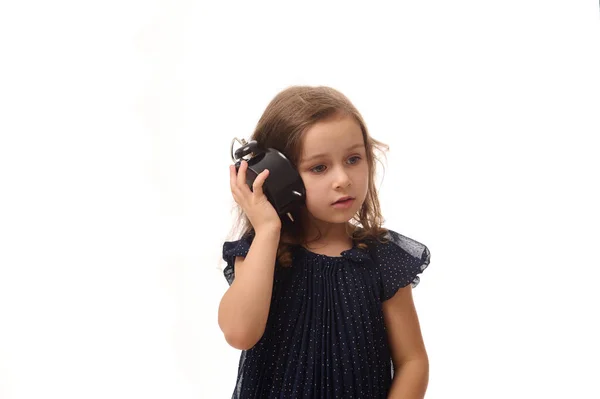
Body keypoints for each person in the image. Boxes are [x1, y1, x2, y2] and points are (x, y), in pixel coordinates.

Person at [218, 85, 431, 398]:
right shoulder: (262, 253)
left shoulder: (382, 259)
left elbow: (413, 360)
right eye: (319, 167)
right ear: (278, 176)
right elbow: (239, 333)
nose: (343, 179)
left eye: (353, 159)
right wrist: (266, 230)